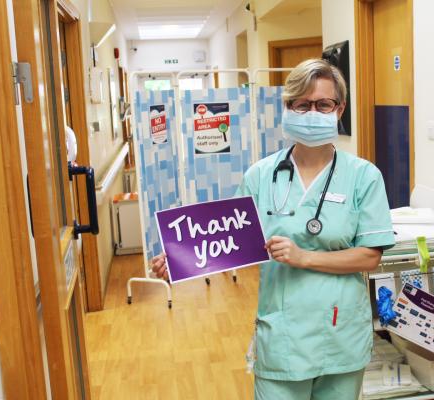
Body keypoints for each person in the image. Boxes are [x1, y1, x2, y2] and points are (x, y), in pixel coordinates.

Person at [152, 58, 395, 400]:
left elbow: (370, 256)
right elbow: (229, 240)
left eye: (323, 104)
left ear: (339, 109)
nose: (312, 113)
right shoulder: (261, 176)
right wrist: (180, 258)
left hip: (340, 336)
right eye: (302, 104)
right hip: (282, 337)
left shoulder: (364, 176)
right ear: (288, 108)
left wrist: (303, 257)